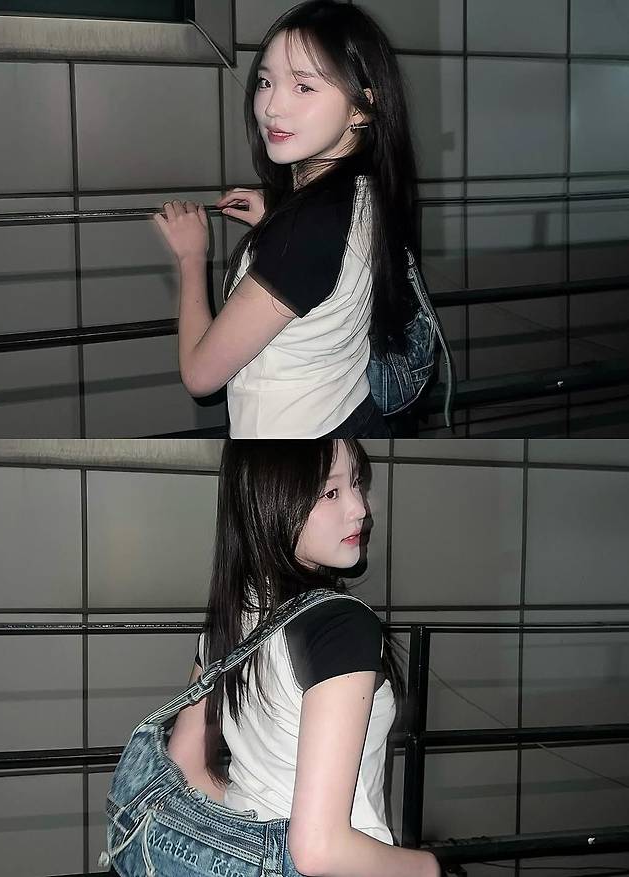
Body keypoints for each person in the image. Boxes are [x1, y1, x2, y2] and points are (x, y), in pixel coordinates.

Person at [108, 439, 440, 877]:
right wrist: (426, 868)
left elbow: (185, 766)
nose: (360, 508)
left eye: (356, 482)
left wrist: (250, 838)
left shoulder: (233, 615)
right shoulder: (341, 625)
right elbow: (318, 850)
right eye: (331, 492)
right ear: (272, 502)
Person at [153, 0, 428, 438]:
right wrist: (276, 214)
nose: (272, 107)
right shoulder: (368, 187)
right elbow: (330, 258)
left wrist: (191, 257)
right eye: (266, 81)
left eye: (303, 86)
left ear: (361, 107)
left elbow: (200, 376)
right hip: (351, 414)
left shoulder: (305, 231)